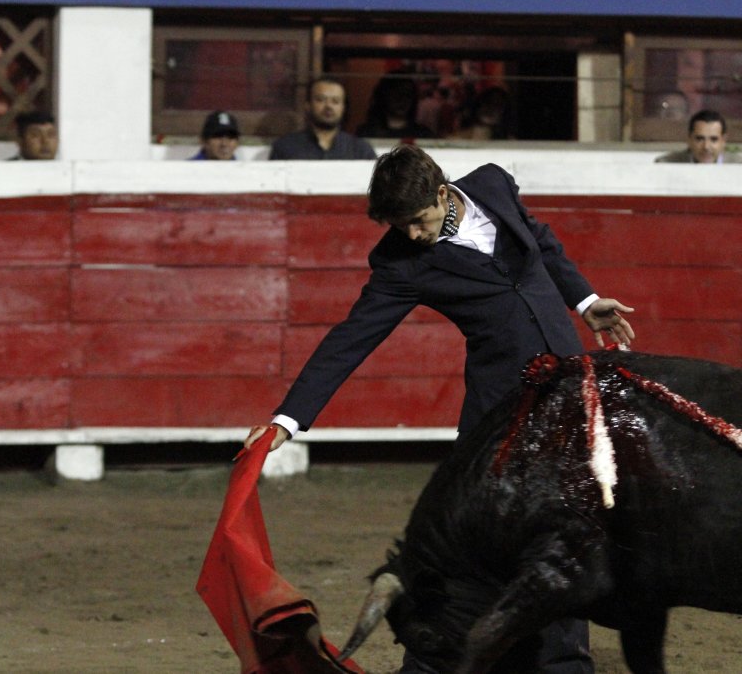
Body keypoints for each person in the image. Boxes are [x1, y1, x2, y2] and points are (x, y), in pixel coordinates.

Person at [243, 144, 634, 674]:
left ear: (444, 194)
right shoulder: (401, 262)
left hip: (569, 396)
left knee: (568, 529)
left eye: (418, 220)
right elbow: (351, 339)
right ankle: (430, 660)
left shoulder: (494, 185)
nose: (411, 234)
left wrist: (586, 303)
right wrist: (287, 421)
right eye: (399, 225)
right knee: (470, 538)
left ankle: (564, 662)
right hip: (501, 412)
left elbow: (538, 240)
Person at [269, 76, 377, 160]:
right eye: (321, 99)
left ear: (343, 108)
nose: (329, 106)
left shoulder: (361, 150)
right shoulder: (285, 147)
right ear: (308, 105)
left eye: (335, 101)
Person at [356, 75, 435, 140]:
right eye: (396, 94)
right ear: (384, 96)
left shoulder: (422, 134)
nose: (402, 100)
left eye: (407, 95)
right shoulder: (367, 132)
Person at [655, 109, 742, 164]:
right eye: (699, 139)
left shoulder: (739, 165)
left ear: (723, 140)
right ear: (689, 139)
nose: (706, 146)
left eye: (714, 139)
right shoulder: (667, 164)